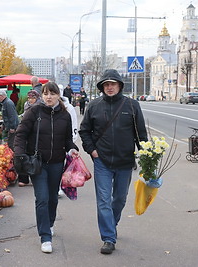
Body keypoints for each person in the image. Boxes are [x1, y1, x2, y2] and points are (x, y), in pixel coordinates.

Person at [79, 69, 148, 255]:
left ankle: (112, 222)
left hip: (125, 161)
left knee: (119, 199)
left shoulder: (132, 106)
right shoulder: (94, 106)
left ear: (119, 85)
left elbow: (141, 135)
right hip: (102, 161)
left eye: (113, 84)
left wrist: (148, 159)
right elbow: (84, 131)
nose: (109, 87)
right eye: (106, 84)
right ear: (102, 87)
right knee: (103, 200)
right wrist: (92, 151)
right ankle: (108, 238)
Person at [14, 82, 79, 253]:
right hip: (38, 163)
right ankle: (45, 237)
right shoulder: (34, 112)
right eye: (45, 93)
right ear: (41, 95)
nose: (48, 97)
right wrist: (19, 153)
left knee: (53, 198)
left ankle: (49, 223)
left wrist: (72, 149)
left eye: (52, 93)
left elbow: (67, 139)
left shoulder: (64, 115)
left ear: (58, 95)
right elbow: (21, 134)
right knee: (42, 198)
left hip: (57, 163)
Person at [18, 89, 41, 187]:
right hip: (26, 131)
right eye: (29, 98)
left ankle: (34, 175)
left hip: (36, 133)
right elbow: (24, 115)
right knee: (23, 155)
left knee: (34, 155)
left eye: (33, 98)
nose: (30, 100)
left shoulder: (40, 107)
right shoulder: (26, 105)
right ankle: (24, 178)